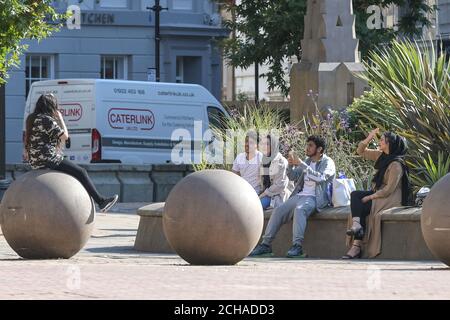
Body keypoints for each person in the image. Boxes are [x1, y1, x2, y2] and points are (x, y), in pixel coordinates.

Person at [24, 94, 118, 213]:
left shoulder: (32, 118)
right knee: (81, 172)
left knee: (72, 172)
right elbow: (65, 137)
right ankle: (101, 202)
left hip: (35, 161)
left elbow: (27, 139)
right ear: (51, 106)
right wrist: (61, 118)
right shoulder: (46, 119)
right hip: (48, 159)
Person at [250, 135, 336, 258]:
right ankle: (266, 245)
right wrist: (290, 165)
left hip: (315, 198)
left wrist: (301, 164)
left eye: (310, 145)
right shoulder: (308, 161)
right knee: (279, 210)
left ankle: (297, 246)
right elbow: (293, 177)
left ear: (319, 149)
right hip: (300, 195)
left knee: (300, 210)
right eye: (307, 145)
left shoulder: (328, 162)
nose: (307, 148)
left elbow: (321, 178)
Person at [342, 128, 410, 259]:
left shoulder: (396, 165)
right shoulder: (381, 156)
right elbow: (360, 151)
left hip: (390, 198)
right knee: (355, 194)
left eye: (382, 140)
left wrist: (370, 197)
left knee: (363, 205)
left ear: (389, 143)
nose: (379, 142)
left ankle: (356, 247)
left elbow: (389, 190)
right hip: (378, 193)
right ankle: (356, 225)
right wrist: (369, 137)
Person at [258, 133, 291, 209]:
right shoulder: (263, 160)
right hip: (265, 193)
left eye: (267, 144)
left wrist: (263, 194)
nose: (264, 147)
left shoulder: (281, 162)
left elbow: (280, 185)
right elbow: (261, 181)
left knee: (257, 207)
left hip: (277, 195)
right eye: (263, 144)